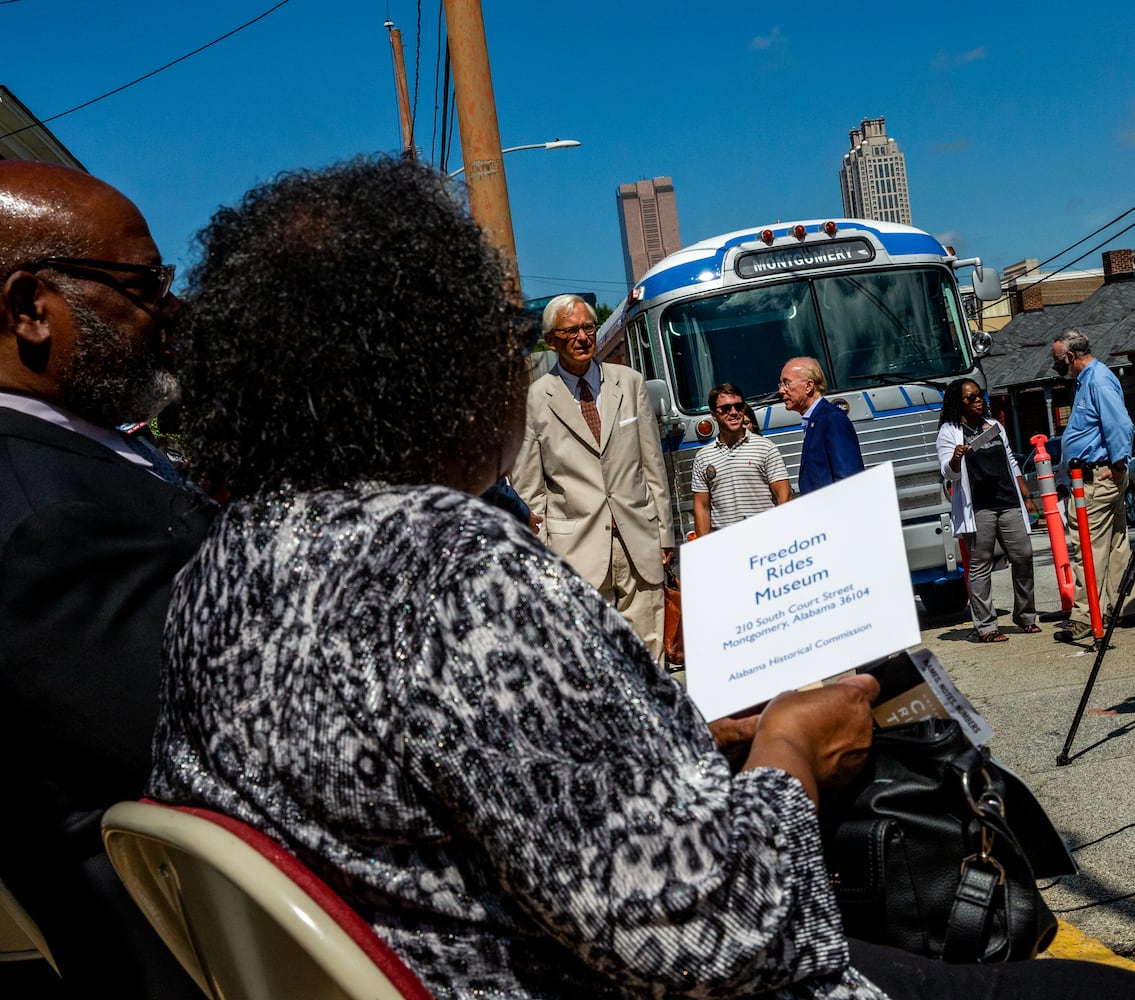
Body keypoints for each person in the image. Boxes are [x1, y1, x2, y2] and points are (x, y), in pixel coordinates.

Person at [147, 155, 1135, 1000]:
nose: (519, 361)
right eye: (504, 335)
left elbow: (456, 787)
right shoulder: (447, 561)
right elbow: (703, 932)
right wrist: (790, 747)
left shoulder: (220, 573)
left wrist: (687, 736)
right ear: (427, 364)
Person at [0, 161, 213, 997]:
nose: (169, 311)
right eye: (143, 283)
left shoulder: (81, 445)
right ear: (28, 309)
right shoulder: (39, 518)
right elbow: (210, 742)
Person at [512, 293, 674, 660]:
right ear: (551, 341)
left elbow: (652, 465)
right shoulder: (536, 399)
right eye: (571, 332)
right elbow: (530, 490)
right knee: (596, 658)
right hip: (576, 552)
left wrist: (664, 534)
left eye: (588, 328)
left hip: (638, 541)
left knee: (649, 656)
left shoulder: (629, 383)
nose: (583, 338)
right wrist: (545, 555)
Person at [936, 379, 1039, 641]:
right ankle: (986, 626)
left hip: (1007, 500)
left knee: (1023, 555)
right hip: (978, 507)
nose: (978, 400)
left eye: (979, 395)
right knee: (980, 565)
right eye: (971, 398)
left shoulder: (994, 427)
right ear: (959, 403)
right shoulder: (950, 432)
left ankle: (1025, 615)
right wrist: (957, 457)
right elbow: (949, 474)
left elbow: (1012, 461)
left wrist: (1026, 495)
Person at [1051, 329, 1134, 632]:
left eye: (1058, 360)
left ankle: (1086, 615)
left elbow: (1120, 424)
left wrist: (1119, 463)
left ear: (1071, 357)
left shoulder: (1097, 381)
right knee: (1115, 543)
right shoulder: (1089, 381)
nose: (1056, 366)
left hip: (1097, 477)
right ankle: (1124, 607)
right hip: (1099, 475)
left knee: (1087, 546)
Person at [692, 382, 789, 536]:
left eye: (738, 407)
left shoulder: (765, 448)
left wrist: (779, 533)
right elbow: (702, 507)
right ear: (713, 415)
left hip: (764, 537)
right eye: (725, 409)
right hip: (726, 543)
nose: (733, 412)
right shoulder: (703, 457)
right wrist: (705, 548)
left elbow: (784, 496)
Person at [778, 356, 864, 493]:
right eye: (781, 384)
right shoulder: (815, 420)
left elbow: (849, 479)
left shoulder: (832, 419)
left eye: (787, 383)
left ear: (808, 386)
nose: (781, 391)